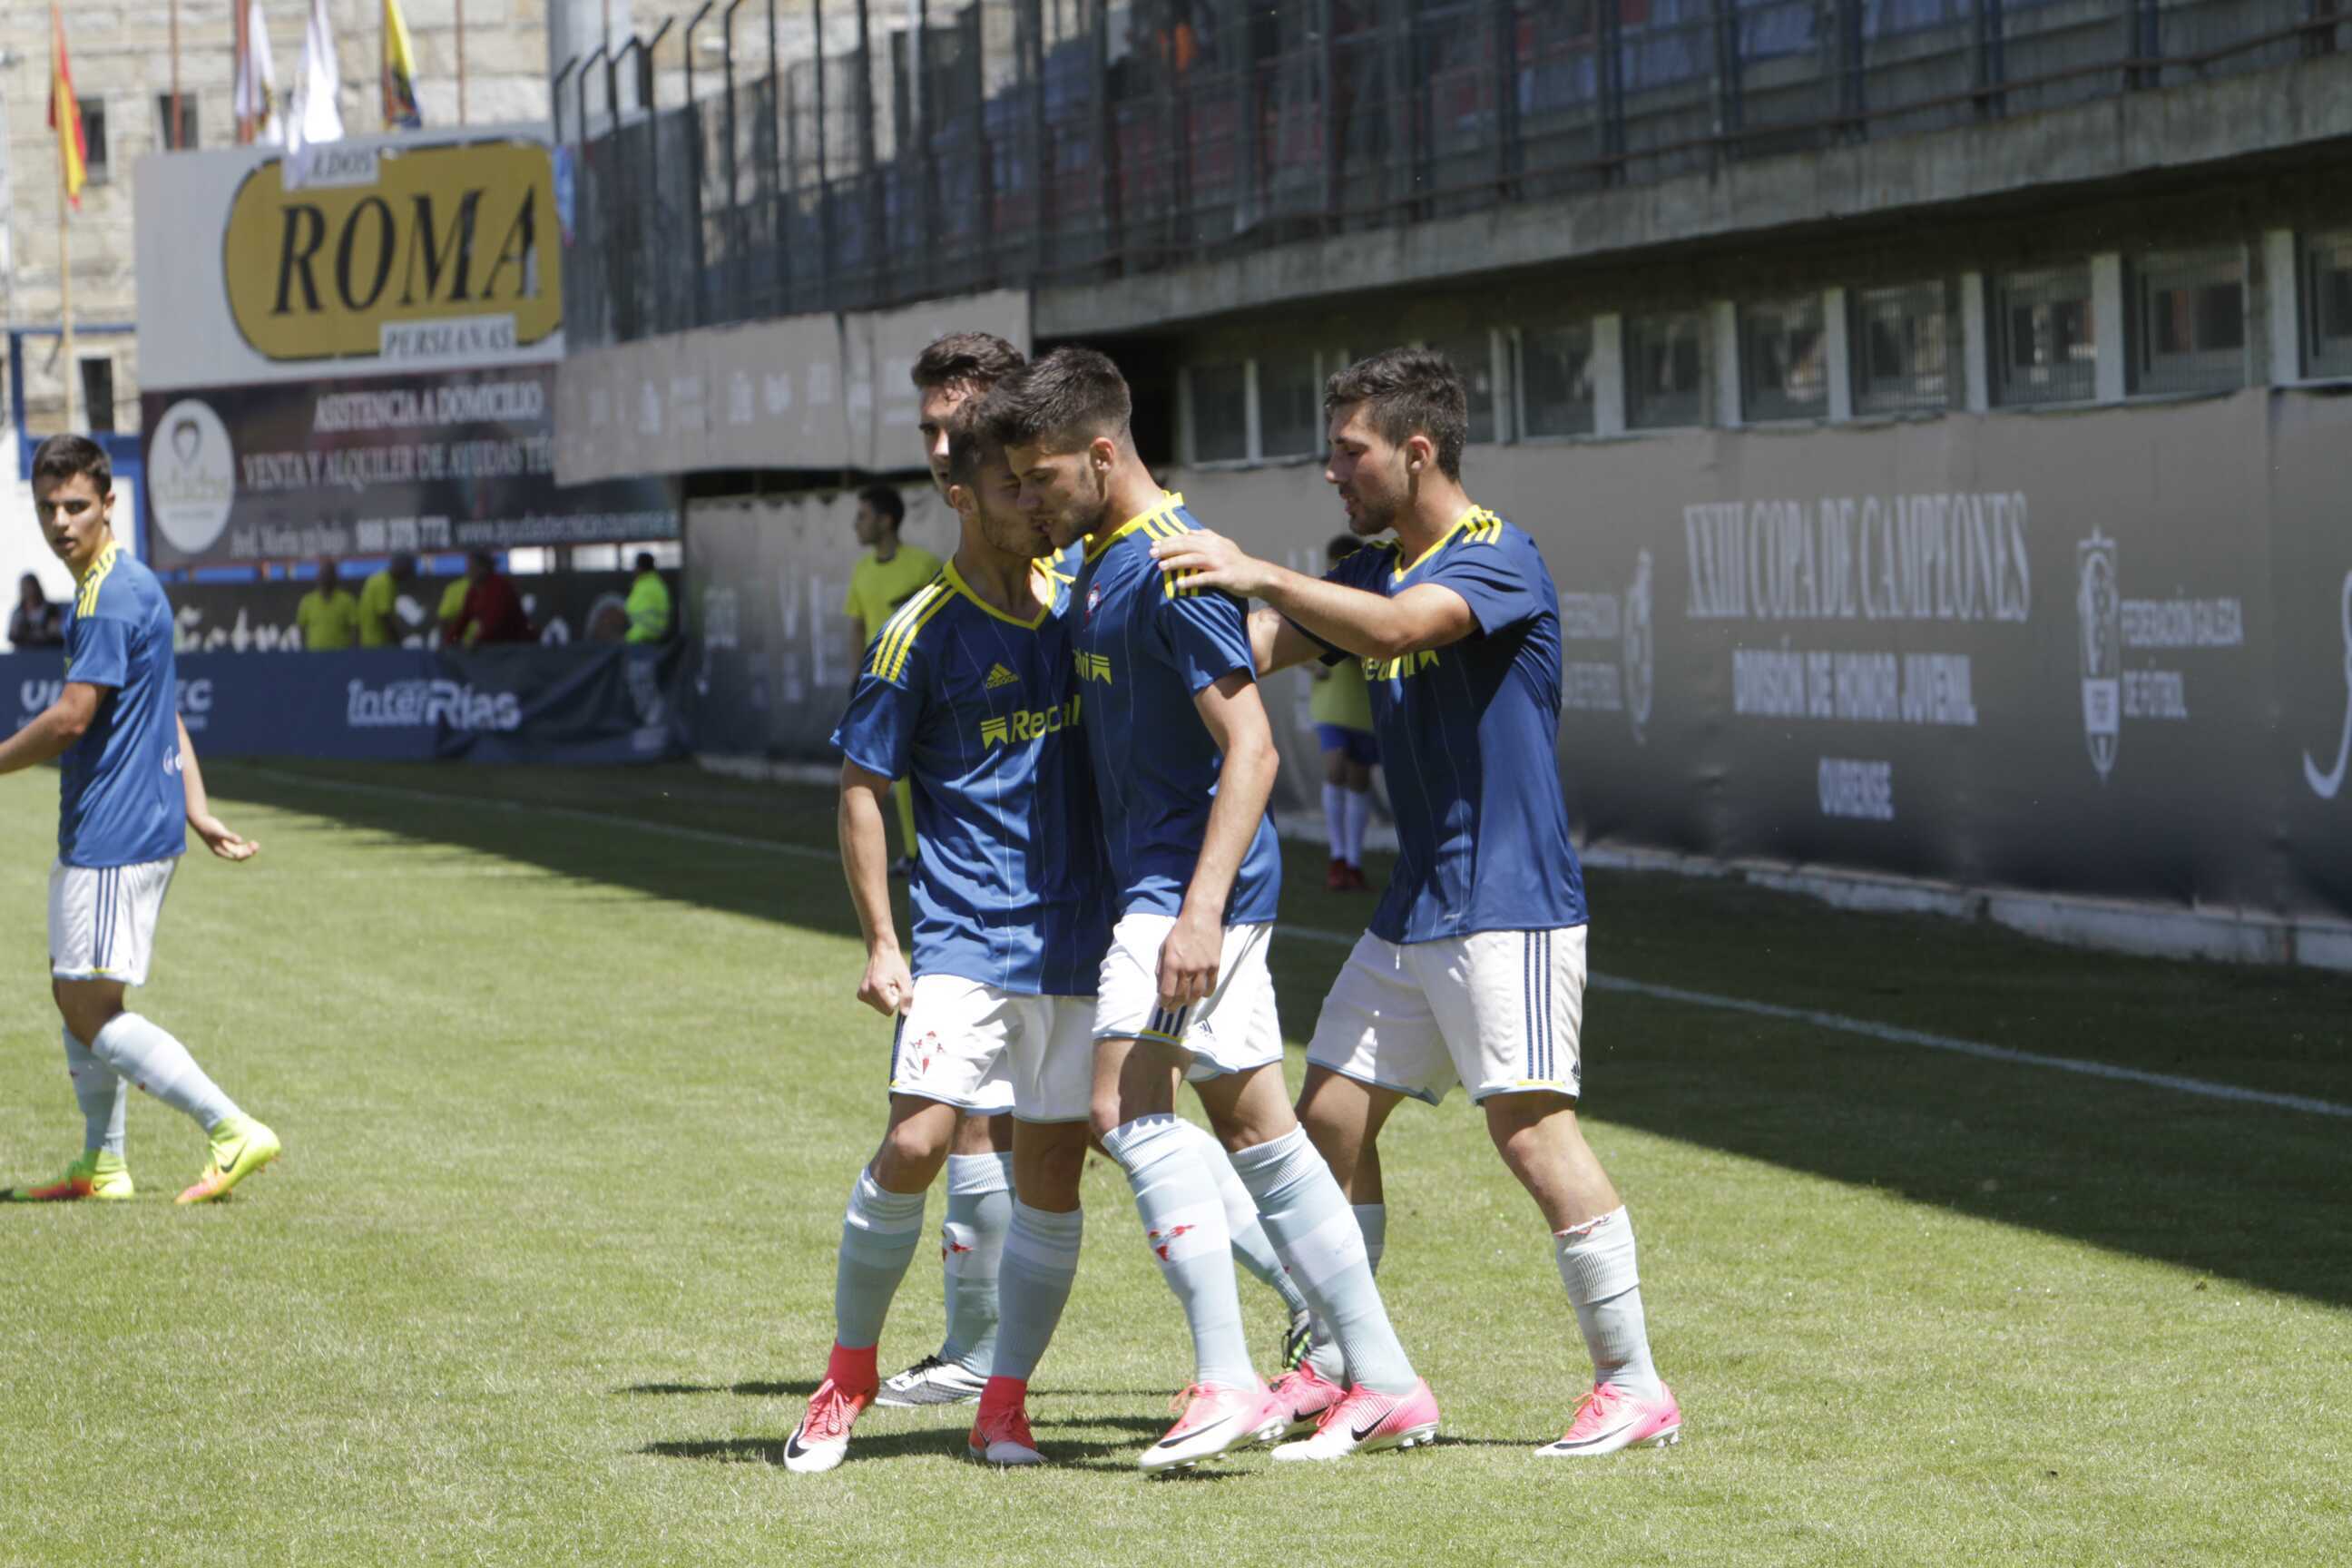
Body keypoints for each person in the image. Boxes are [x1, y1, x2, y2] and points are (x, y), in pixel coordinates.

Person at [1149, 347, 1681, 1457]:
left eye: (1350, 452)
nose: (1331, 472)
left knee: (1531, 1133)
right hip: (1414, 906)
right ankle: (1343, 1366)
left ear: (1418, 451)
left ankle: (1635, 1388)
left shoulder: (1495, 556)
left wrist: (1255, 569)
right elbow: (1258, 647)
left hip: (1510, 903)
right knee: (1329, 1124)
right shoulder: (1375, 568)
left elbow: (1394, 630)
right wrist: (1140, 625)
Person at [989, 348, 1434, 1472]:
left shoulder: (1171, 566)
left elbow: (1253, 748)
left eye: (1042, 477)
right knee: (1259, 1134)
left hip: (1188, 889)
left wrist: (1196, 914)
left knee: (1122, 1107)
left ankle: (1226, 1376)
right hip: (1173, 886)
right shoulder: (1100, 564)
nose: (1030, 499)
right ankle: (1386, 1379)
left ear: (1102, 455)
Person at [784, 408, 1109, 1475]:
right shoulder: (918, 631)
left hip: (1077, 940)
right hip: (963, 933)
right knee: (919, 1142)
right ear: (963, 499)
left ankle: (1002, 1405)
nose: (1036, 502)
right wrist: (884, 941)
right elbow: (862, 784)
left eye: (1038, 482)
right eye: (1014, 487)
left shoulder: (1081, 602)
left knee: (1051, 1174)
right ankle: (846, 1377)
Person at [1, 435, 280, 1206]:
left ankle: (231, 1128)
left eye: (75, 505)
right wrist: (197, 806)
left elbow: (70, 718)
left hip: (115, 836)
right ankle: (104, 1163)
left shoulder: (106, 597)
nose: (61, 521)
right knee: (73, 991)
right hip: (126, 827)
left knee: (91, 1008)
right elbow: (162, 709)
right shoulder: (129, 583)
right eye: (48, 507)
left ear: (108, 504)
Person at [842, 484, 941, 879]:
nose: (856, 525)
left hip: (924, 682)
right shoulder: (861, 571)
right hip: (880, 687)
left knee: (928, 771)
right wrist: (856, 678)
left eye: (862, 516)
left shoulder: (923, 564)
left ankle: (935, 851)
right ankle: (913, 852)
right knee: (888, 776)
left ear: (886, 521)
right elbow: (857, 626)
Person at [1307, 534, 1379, 891]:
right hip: (1331, 703)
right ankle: (1337, 857)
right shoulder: (1320, 599)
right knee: (1336, 767)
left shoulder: (1373, 600)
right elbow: (1300, 646)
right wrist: (1314, 666)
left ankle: (1353, 861)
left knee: (1359, 778)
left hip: (1364, 706)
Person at [455, 551, 533, 645]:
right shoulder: (474, 591)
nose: (468, 572)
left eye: (472, 568)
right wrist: (450, 641)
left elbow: (495, 622)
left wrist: (477, 641)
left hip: (516, 644)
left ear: (483, 569)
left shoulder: (499, 587)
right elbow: (464, 619)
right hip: (494, 645)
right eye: (468, 568)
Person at [294, 556, 360, 651]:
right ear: (317, 578)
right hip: (315, 655)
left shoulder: (347, 601)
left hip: (340, 655)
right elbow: (301, 628)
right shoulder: (307, 601)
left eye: (329, 575)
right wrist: (305, 651)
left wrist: (352, 652)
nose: (326, 578)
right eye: (323, 575)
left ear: (335, 578)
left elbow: (355, 629)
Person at [358, 552, 416, 648]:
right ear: (400, 567)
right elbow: (385, 615)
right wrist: (397, 640)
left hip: (370, 641)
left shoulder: (379, 578)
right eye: (408, 570)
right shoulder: (385, 582)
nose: (407, 576)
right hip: (377, 644)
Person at [624, 552, 672, 644]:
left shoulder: (645, 587)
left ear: (640, 568)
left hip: (644, 640)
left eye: (635, 566)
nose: (634, 570)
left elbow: (641, 621)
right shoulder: (655, 584)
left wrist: (628, 639)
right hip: (652, 637)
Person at [10, 573, 63, 648]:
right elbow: (13, 635)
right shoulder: (18, 612)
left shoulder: (51, 609)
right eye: (25, 587)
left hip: (48, 651)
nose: (29, 591)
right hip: (24, 652)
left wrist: (40, 634)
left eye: (30, 586)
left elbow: (55, 633)